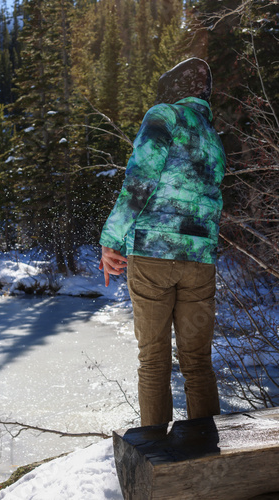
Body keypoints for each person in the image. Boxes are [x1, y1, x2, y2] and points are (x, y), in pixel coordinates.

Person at [99, 58, 226, 426]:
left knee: (154, 362)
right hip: (200, 262)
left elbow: (140, 182)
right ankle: (207, 467)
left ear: (175, 88)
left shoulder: (164, 116)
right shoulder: (214, 138)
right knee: (198, 365)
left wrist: (112, 241)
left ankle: (156, 466)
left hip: (154, 256)